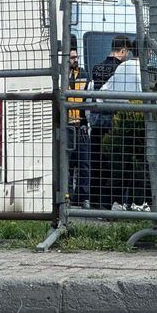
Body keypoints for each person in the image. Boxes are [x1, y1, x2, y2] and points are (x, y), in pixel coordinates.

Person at [88, 35, 132, 209]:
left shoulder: (97, 68)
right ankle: (109, 202)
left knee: (96, 163)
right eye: (127, 52)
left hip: (97, 120)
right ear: (123, 50)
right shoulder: (120, 69)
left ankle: (94, 201)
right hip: (112, 121)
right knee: (112, 165)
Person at [67, 48, 91, 208]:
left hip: (80, 125)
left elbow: (88, 99)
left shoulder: (84, 75)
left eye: (76, 57)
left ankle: (83, 198)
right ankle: (67, 196)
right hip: (66, 125)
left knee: (84, 163)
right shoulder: (62, 76)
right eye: (71, 58)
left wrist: (85, 123)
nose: (74, 60)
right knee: (67, 164)